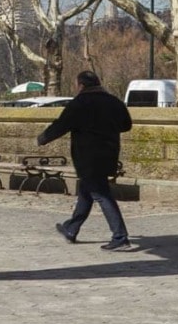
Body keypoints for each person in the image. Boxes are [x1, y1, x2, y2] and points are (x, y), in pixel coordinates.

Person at [37, 69, 134, 251]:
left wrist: (43, 138)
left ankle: (120, 236)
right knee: (86, 191)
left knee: (101, 194)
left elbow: (62, 125)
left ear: (81, 85)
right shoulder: (114, 102)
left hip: (88, 156)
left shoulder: (80, 103)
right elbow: (126, 125)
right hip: (109, 154)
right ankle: (71, 228)